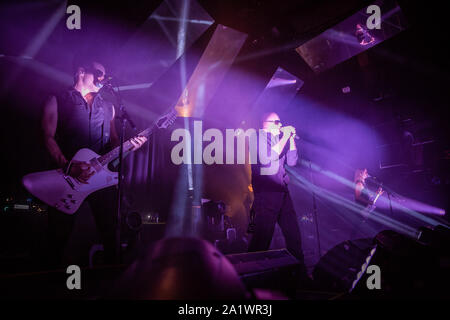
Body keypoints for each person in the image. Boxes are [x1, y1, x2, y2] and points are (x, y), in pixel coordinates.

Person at [41, 57, 146, 266]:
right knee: (58, 235)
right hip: (68, 178)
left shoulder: (109, 107)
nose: (103, 77)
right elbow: (47, 137)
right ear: (81, 72)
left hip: (100, 179)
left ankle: (113, 280)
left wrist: (129, 146)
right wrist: (67, 165)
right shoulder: (57, 100)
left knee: (111, 232)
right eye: (98, 73)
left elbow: (114, 143)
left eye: (104, 74)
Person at [247, 112, 306, 272]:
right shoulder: (258, 137)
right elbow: (268, 158)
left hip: (282, 191)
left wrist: (291, 138)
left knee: (293, 234)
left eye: (281, 122)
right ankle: (250, 275)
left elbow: (292, 161)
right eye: (277, 122)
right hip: (267, 192)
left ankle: (300, 274)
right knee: (262, 237)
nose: (281, 125)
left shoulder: (281, 140)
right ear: (266, 123)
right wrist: (285, 136)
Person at [350, 168, 383, 239]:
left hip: (365, 209)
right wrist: (369, 202)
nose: (367, 173)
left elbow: (368, 197)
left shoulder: (363, 183)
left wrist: (377, 194)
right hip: (361, 209)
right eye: (366, 172)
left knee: (357, 228)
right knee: (357, 228)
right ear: (361, 173)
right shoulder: (359, 183)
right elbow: (358, 197)